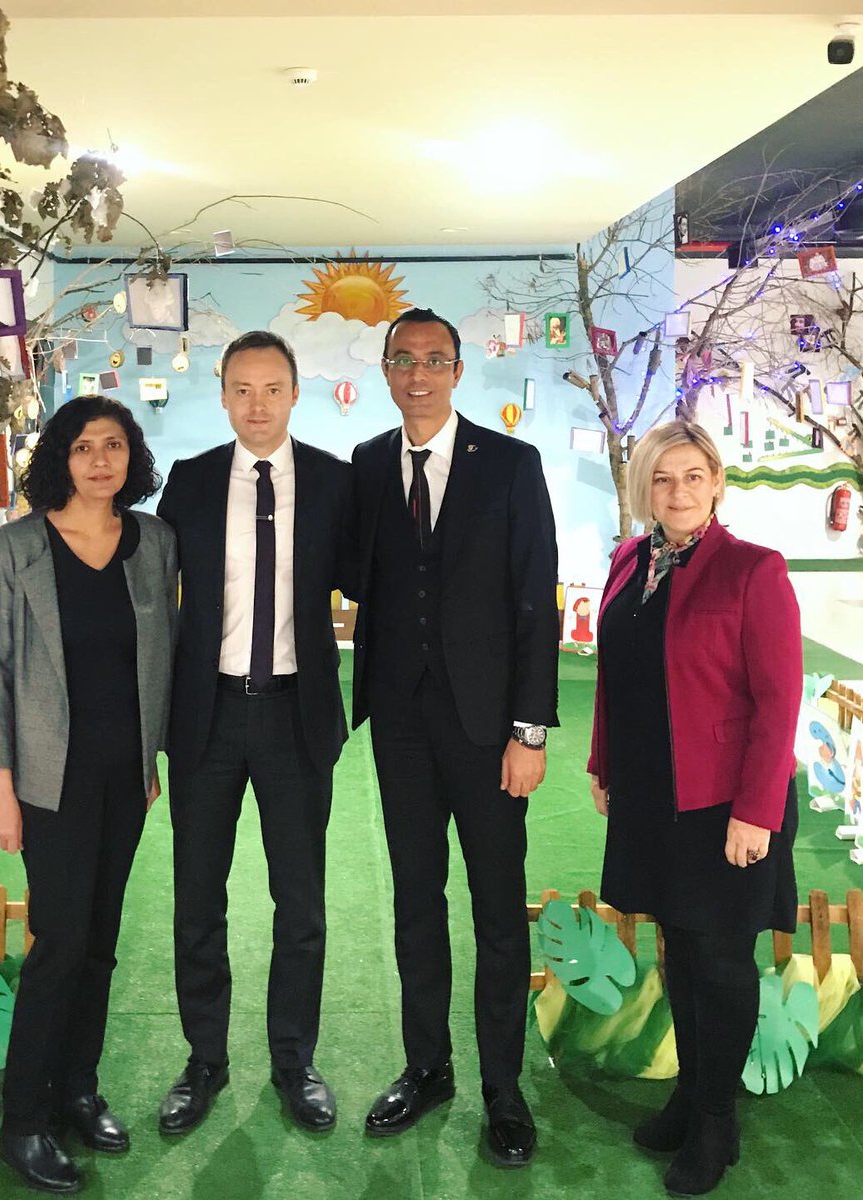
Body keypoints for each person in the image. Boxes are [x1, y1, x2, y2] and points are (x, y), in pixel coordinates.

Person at [351, 308, 559, 1167]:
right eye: (403, 359)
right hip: (401, 727)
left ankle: (504, 1090)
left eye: (434, 360)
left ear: (458, 371)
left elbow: (535, 600)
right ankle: (427, 1067)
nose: (418, 374)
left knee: (498, 911)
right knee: (415, 902)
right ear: (386, 370)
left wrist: (529, 731)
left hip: (489, 730)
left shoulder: (510, 463)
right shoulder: (368, 464)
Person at [587, 420, 801, 1197]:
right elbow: (616, 677)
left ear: (716, 483)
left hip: (727, 805)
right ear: (643, 486)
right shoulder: (629, 561)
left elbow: (779, 702)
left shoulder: (754, 569)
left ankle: (716, 1119)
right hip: (654, 796)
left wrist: (757, 811)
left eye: (692, 476)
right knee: (680, 952)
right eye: (662, 477)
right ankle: (689, 1092)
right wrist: (603, 761)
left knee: (721, 961)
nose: (677, 492)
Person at [0, 395, 177, 1195]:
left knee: (99, 942)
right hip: (46, 780)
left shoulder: (153, 543)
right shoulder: (17, 546)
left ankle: (78, 1092)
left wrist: (151, 758)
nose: (100, 461)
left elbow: (159, 656)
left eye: (114, 445)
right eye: (84, 446)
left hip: (124, 776)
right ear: (61, 456)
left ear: (132, 457)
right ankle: (23, 1120)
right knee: (59, 943)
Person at [156, 330, 352, 1136]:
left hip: (296, 716)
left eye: (272, 389)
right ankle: (204, 1058)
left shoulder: (336, 483)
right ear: (223, 396)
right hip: (206, 715)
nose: (258, 405)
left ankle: (293, 1059)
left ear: (296, 394)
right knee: (197, 899)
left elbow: (377, 580)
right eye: (242, 389)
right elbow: (153, 596)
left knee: (299, 902)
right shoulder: (192, 481)